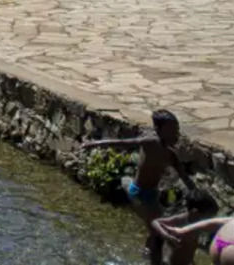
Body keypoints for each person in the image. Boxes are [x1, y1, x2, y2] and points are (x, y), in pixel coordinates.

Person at [80, 109, 194, 265]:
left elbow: (185, 178)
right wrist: (94, 143)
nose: (176, 134)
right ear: (158, 130)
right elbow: (122, 143)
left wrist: (198, 194)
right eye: (172, 130)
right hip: (138, 192)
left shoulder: (171, 155)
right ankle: (152, 257)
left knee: (159, 227)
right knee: (157, 228)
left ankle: (150, 253)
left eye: (177, 130)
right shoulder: (150, 142)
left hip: (152, 195)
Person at [150, 190, 219, 265]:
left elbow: (190, 248)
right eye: (209, 217)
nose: (210, 221)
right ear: (195, 212)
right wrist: (167, 236)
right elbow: (155, 222)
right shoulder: (181, 220)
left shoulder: (197, 226)